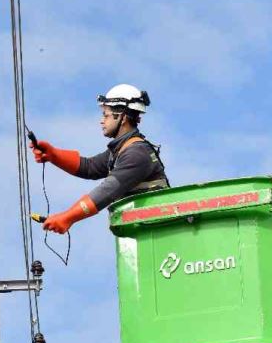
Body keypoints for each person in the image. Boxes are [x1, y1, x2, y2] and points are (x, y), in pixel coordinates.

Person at [29, 84, 169, 234]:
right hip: (148, 230)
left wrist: (67, 217)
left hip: (160, 232)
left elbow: (107, 191)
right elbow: (89, 167)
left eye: (106, 115)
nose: (102, 121)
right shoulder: (121, 150)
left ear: (122, 117)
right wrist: (53, 154)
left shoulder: (136, 153)